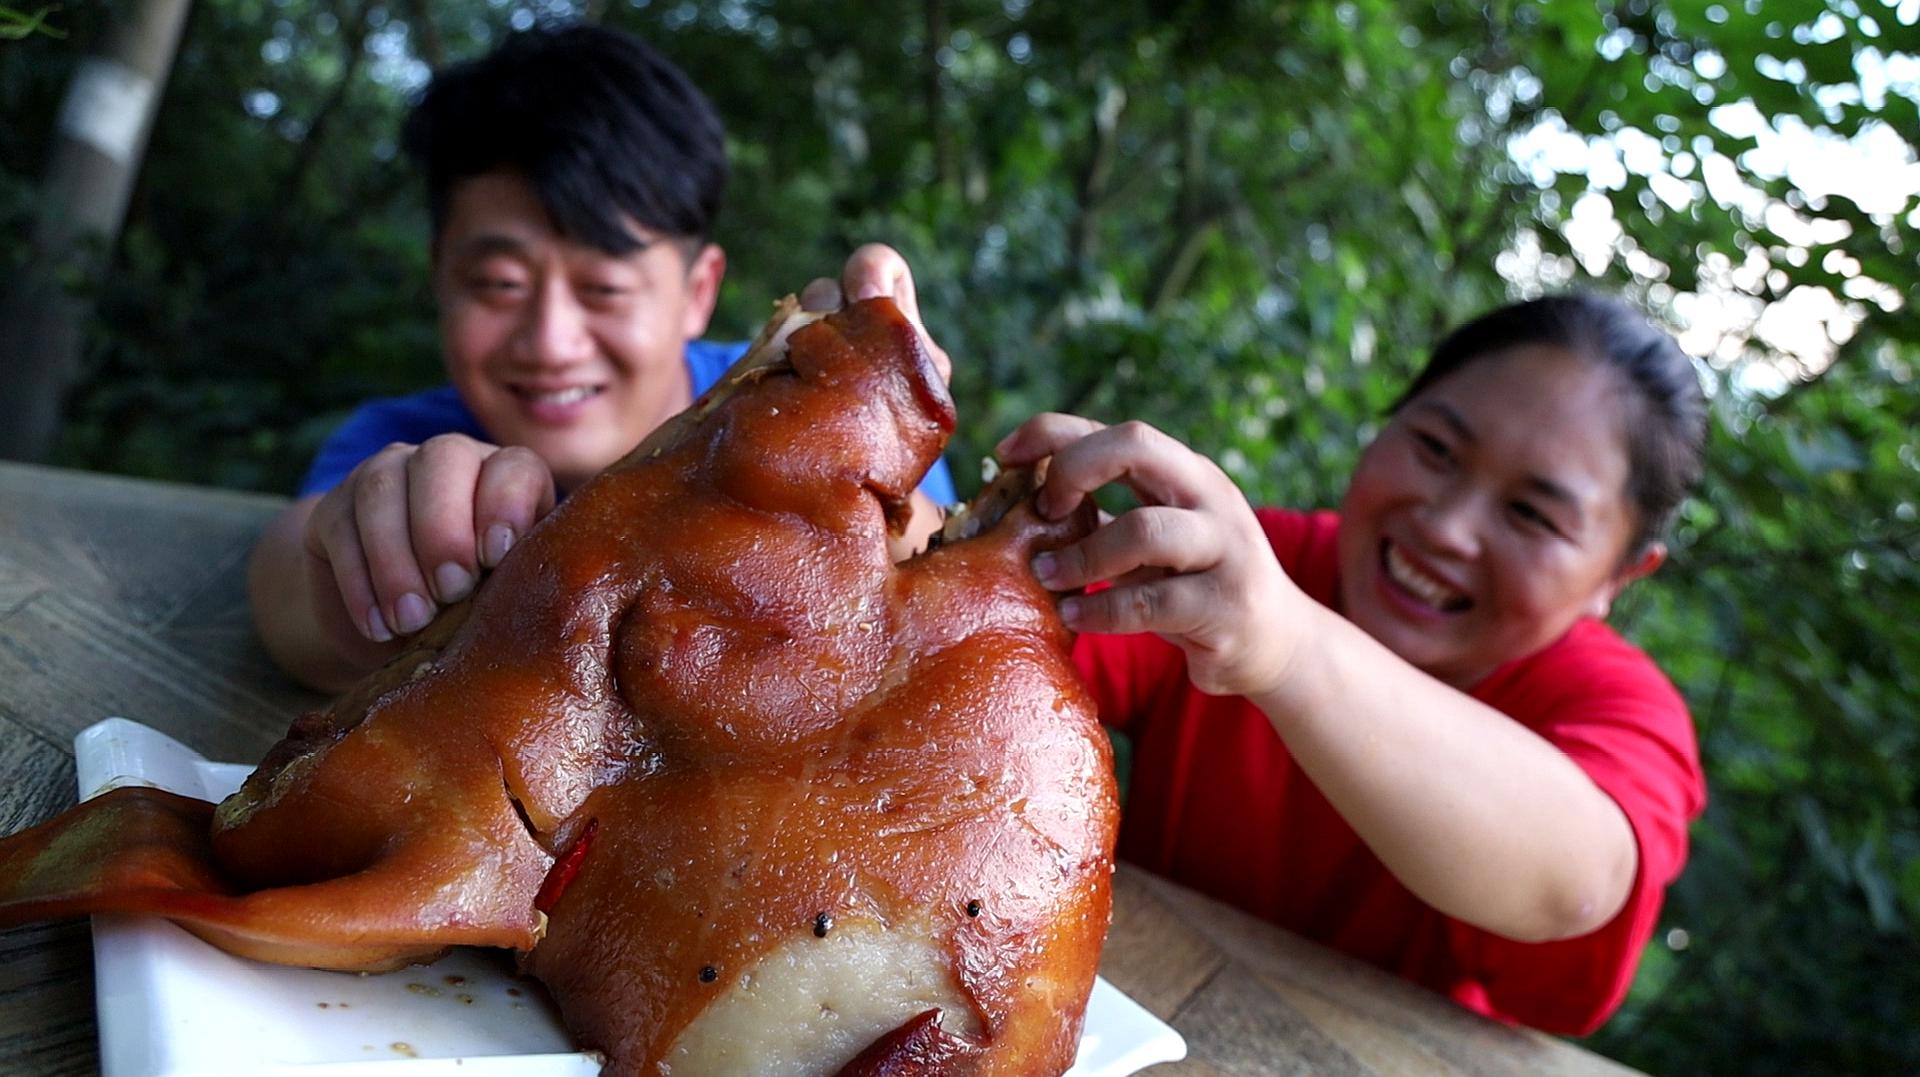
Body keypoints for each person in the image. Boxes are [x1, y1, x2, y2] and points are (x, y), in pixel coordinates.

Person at [993, 293, 1708, 1035]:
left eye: (1533, 514)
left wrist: (1288, 645)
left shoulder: (1616, 704)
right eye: (1435, 449)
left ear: (1617, 579)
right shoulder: (1259, 568)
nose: (1445, 526)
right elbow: (991, 621)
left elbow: (1576, 884)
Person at [250, 26, 955, 692]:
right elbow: (289, 572)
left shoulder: (805, 408)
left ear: (696, 290)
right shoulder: (401, 438)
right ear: (441, 276)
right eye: (499, 284)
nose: (552, 342)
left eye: (605, 288)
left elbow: (939, 568)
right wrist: (359, 593)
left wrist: (862, 440)